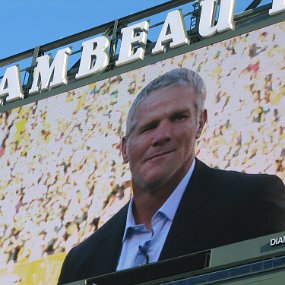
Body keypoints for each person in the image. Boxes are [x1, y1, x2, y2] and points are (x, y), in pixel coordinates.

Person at [57, 68, 285, 284]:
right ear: (124, 149)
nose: (162, 135)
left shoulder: (251, 202)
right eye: (148, 127)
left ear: (200, 123)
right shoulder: (80, 261)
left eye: (178, 118)